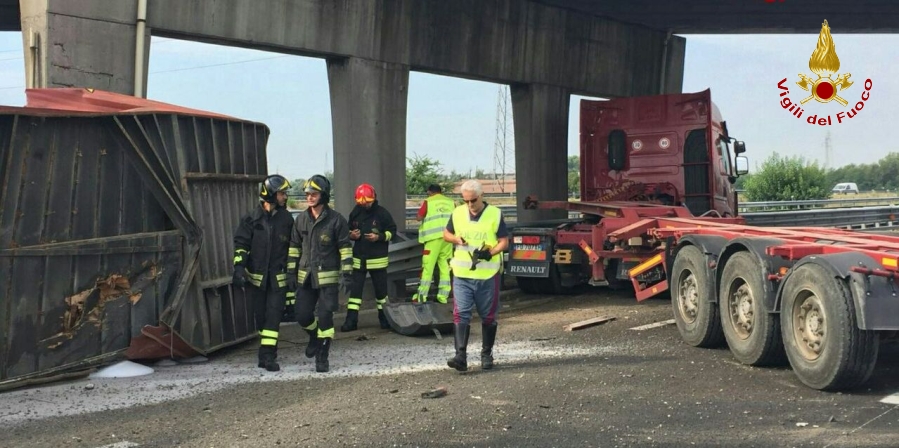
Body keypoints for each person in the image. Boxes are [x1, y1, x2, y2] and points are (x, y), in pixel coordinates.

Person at [287, 174, 353, 373]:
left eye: (313, 194)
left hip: (327, 279)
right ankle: (315, 336)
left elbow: (345, 248)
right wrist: (291, 272)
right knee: (302, 315)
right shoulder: (300, 219)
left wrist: (347, 274)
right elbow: (293, 247)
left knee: (325, 318)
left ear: (323, 195)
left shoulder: (336, 220)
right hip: (305, 277)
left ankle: (323, 355)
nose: (309, 197)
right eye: (307, 194)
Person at [443, 180, 509, 372]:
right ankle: (460, 356)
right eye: (466, 201)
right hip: (462, 274)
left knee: (488, 317)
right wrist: (456, 238)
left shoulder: (495, 214)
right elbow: (446, 234)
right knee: (461, 313)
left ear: (481, 196)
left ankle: (486, 354)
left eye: (473, 200)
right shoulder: (458, 213)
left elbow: (504, 241)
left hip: (487, 275)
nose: (470, 205)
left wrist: (492, 252)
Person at [232, 174, 294, 372]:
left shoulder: (286, 219)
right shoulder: (251, 219)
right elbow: (241, 244)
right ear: (271, 194)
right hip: (256, 280)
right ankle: (263, 354)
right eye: (282, 193)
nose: (285, 197)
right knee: (260, 318)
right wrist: (239, 268)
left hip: (278, 280)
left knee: (273, 317)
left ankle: (269, 356)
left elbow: (294, 247)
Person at [340, 183, 398, 331]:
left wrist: (379, 237)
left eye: (368, 202)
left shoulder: (382, 213)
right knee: (355, 295)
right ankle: (351, 322)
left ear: (374, 199)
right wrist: (351, 235)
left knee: (381, 295)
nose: (365, 205)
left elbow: (392, 232)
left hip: (377, 261)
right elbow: (348, 229)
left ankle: (385, 320)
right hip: (359, 260)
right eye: (362, 202)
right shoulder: (355, 212)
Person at [413, 184, 455, 304]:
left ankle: (421, 296)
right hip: (448, 238)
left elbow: (419, 217)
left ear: (430, 192)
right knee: (445, 267)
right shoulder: (451, 202)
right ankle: (443, 297)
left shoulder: (428, 201)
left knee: (427, 267)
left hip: (432, 239)